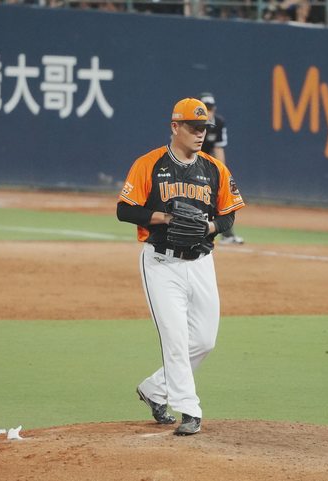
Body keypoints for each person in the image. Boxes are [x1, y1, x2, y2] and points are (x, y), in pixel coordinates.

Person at [116, 97, 245, 436]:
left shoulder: (214, 169)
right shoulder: (149, 164)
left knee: (204, 341)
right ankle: (189, 409)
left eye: (204, 128)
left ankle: (154, 389)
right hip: (161, 263)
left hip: (202, 262)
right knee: (175, 338)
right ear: (176, 127)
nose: (201, 133)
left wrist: (209, 227)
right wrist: (163, 218)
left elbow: (228, 216)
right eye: (194, 127)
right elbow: (124, 210)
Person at [198, 92, 245, 245]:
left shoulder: (218, 123)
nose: (208, 111)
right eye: (205, 108)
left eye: (210, 108)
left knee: (221, 195)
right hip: (189, 161)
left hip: (207, 163)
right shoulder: (191, 123)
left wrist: (221, 171)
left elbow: (218, 148)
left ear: (214, 109)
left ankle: (227, 235)